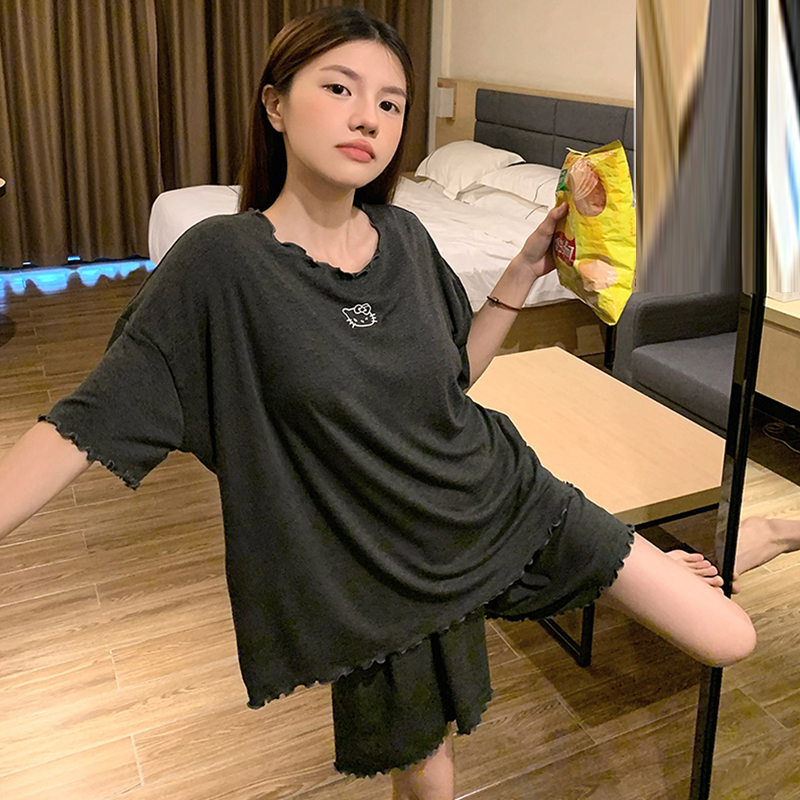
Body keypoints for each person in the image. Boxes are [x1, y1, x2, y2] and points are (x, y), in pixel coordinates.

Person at [0, 9, 756, 800]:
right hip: (378, 566)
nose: (369, 117)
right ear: (275, 105)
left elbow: (450, 377)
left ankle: (710, 543)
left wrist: (518, 275)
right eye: (340, 88)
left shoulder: (407, 236)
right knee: (429, 778)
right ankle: (649, 562)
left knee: (727, 634)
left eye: (391, 103)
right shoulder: (222, 261)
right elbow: (88, 419)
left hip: (499, 494)